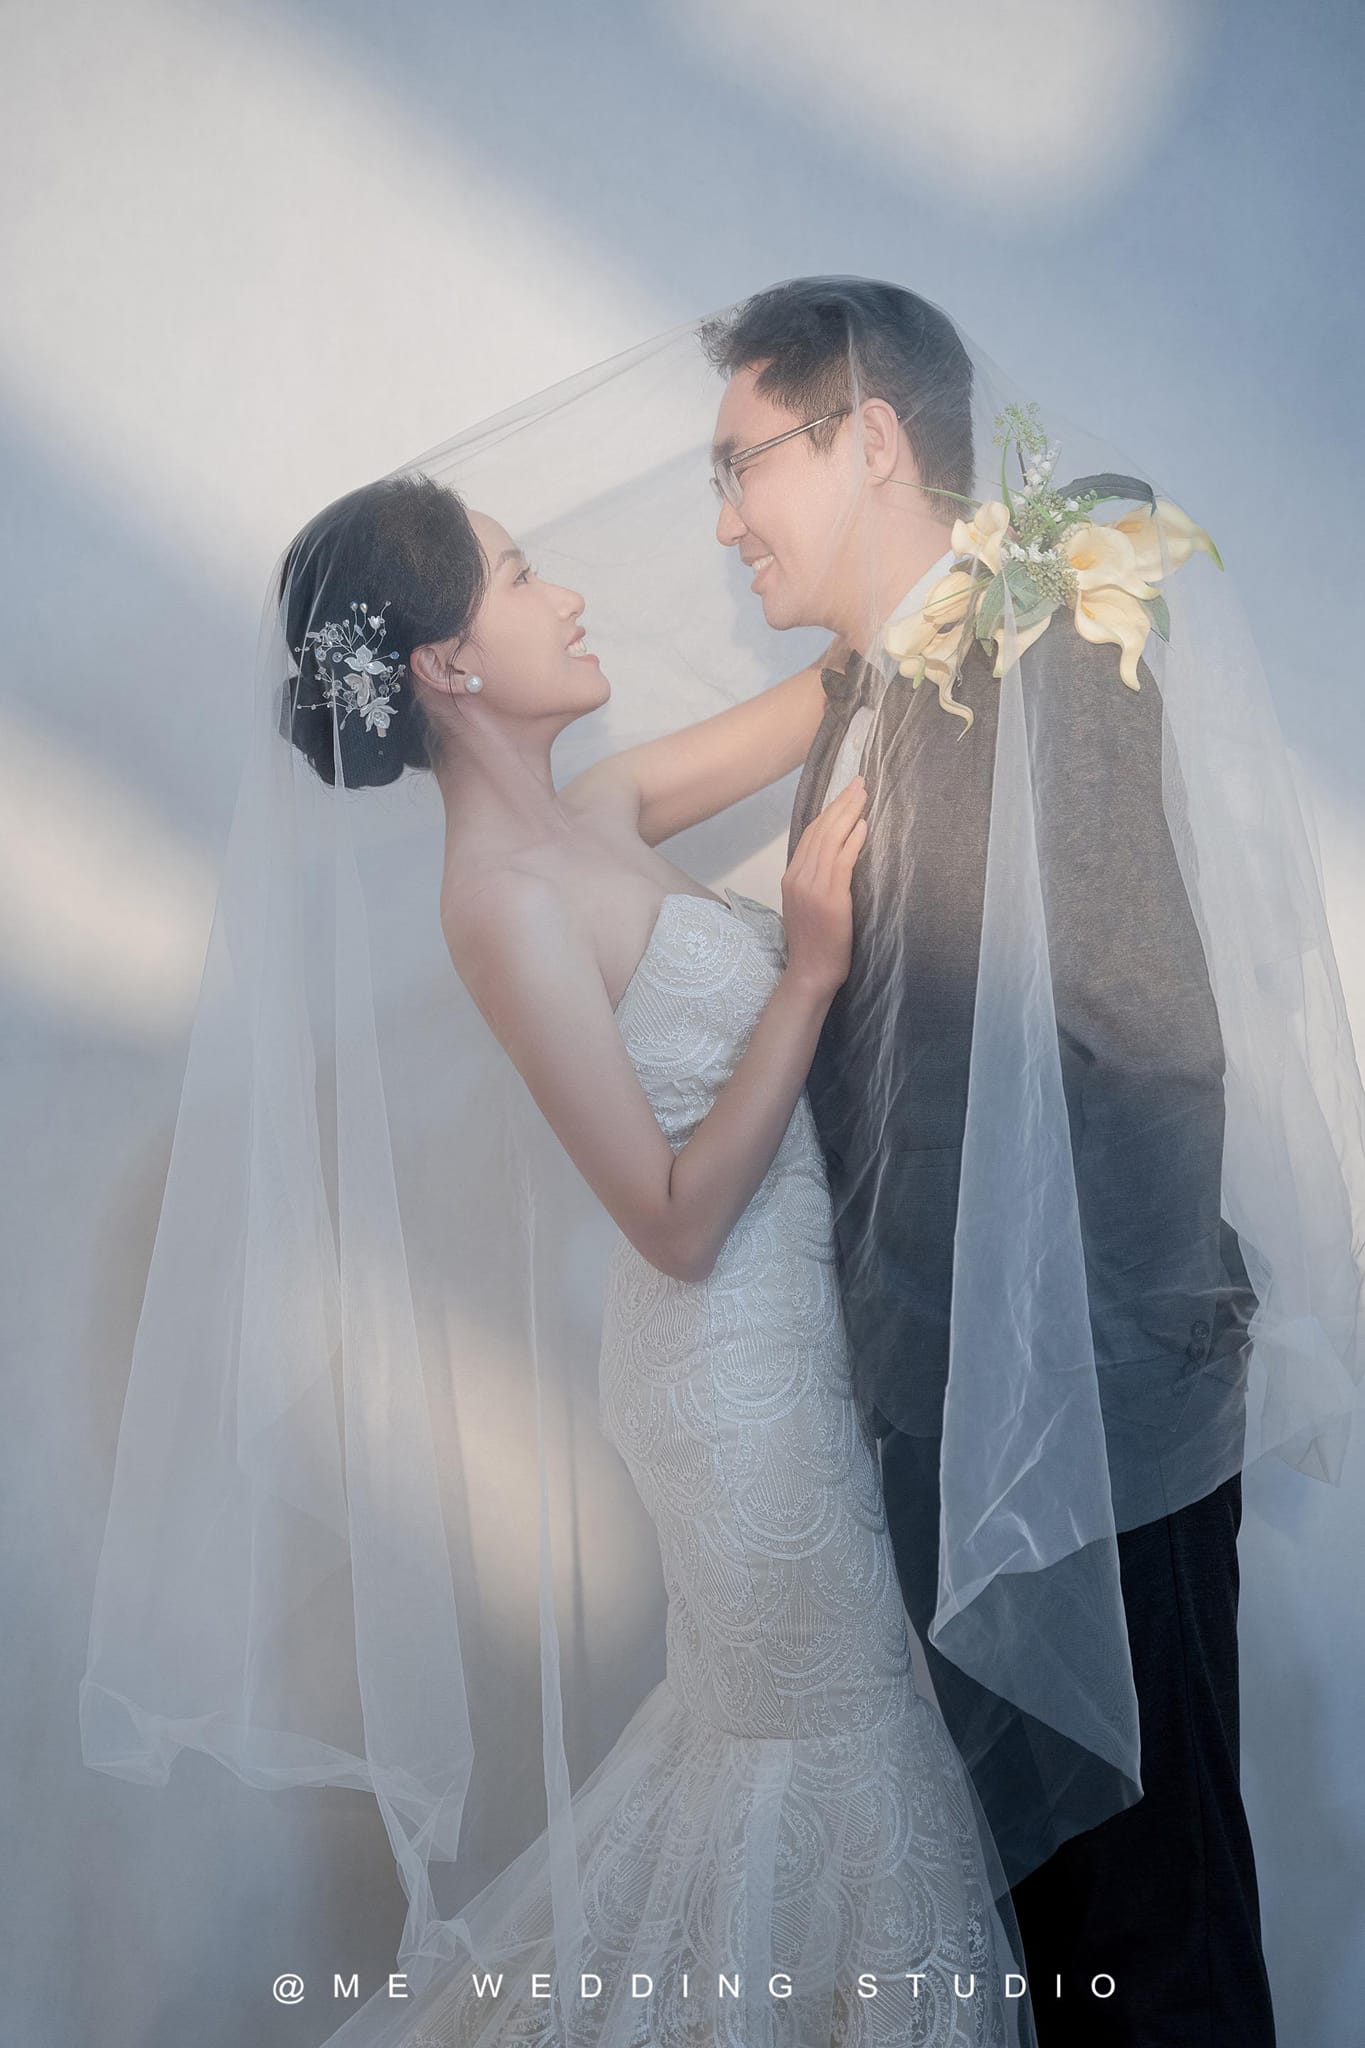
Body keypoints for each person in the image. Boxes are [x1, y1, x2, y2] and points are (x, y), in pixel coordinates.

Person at [701, 277, 1278, 2045]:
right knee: (1045, 1942)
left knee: (1155, 1943)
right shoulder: (857, 703)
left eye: (741, 466)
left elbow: (1145, 1031)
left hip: (1086, 1422)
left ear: (868, 437)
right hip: (945, 1425)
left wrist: (1094, 1396)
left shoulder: (1055, 647)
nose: (723, 520)